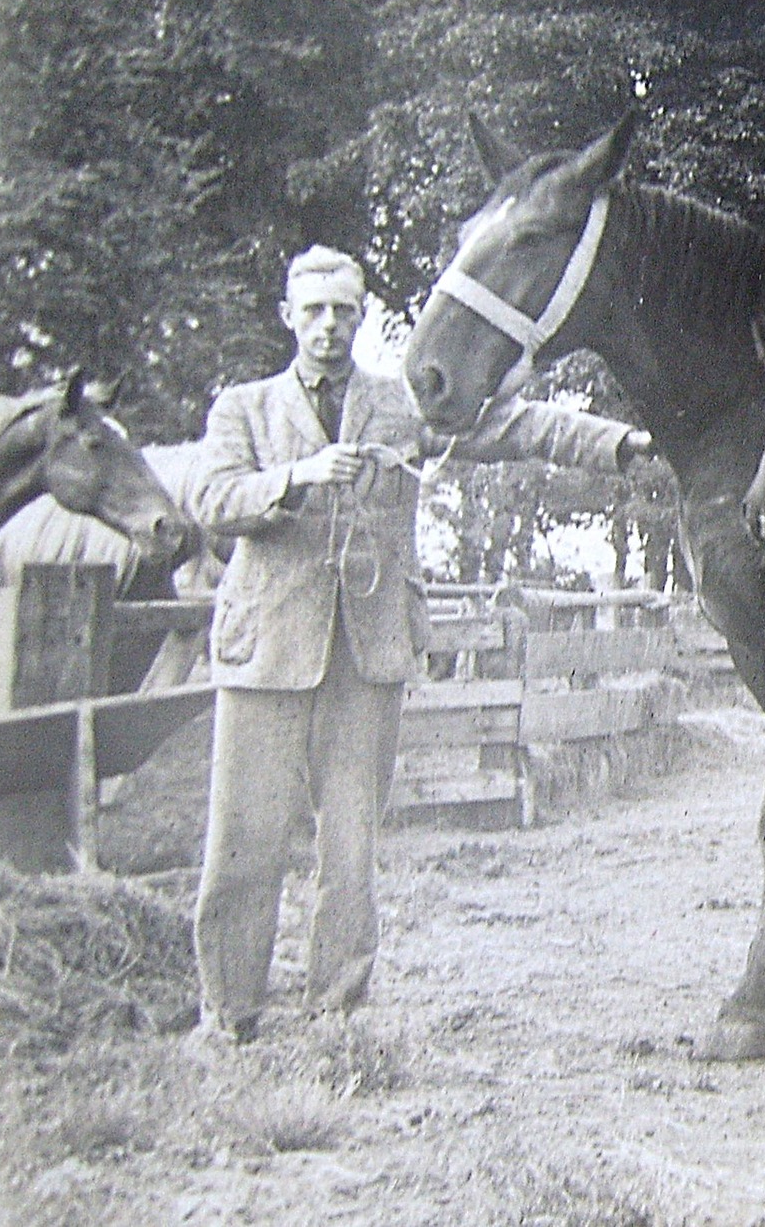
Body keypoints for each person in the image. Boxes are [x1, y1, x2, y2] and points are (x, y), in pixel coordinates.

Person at [186, 245, 648, 1043]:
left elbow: (513, 424)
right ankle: (229, 1015)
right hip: (265, 651)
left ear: (361, 316)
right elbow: (211, 499)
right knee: (244, 840)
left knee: (352, 842)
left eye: (343, 310)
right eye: (313, 310)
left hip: (368, 648)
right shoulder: (243, 407)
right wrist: (296, 479)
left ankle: (336, 1007)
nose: (329, 326)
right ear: (287, 315)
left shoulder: (403, 402)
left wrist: (618, 444)